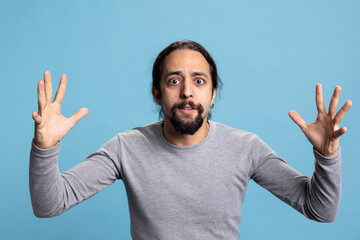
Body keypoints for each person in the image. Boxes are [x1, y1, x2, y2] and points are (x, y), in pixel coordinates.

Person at [29, 40, 352, 239]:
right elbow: (49, 205)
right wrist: (45, 148)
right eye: (173, 81)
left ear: (213, 95)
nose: (187, 92)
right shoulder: (125, 147)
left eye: (199, 81)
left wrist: (327, 156)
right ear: (157, 94)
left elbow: (320, 209)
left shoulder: (245, 147)